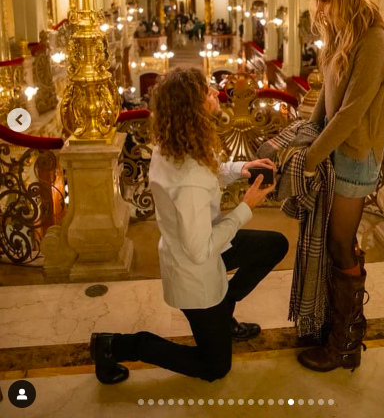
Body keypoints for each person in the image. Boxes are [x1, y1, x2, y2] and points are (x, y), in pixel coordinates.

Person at [90, 67, 288, 385]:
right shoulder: (189, 178)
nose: (215, 94)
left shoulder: (176, 145)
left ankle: (224, 310)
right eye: (207, 92)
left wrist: (241, 168)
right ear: (192, 108)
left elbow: (210, 170)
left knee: (273, 244)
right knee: (215, 368)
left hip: (203, 243)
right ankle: (117, 345)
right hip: (195, 269)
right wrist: (245, 207)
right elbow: (200, 251)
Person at [297, 0, 384, 373]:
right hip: (337, 149)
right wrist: (308, 131)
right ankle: (336, 327)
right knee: (335, 242)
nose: (317, 8)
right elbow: (328, 93)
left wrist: (311, 156)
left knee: (340, 243)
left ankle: (343, 344)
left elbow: (353, 110)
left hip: (357, 155)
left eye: (322, 0)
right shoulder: (340, 32)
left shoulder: (372, 38)